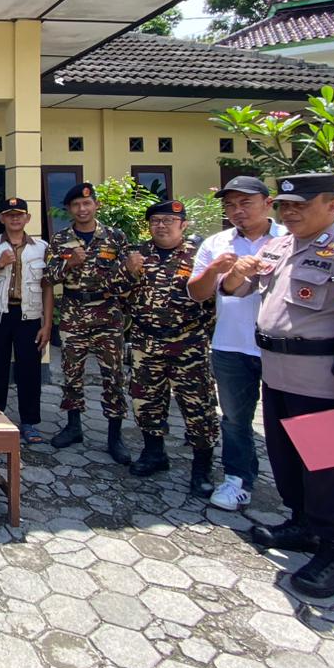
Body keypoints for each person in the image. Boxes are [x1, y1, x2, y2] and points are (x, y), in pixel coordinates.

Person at [218, 173, 334, 597]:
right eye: (285, 206)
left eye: (302, 205)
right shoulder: (279, 247)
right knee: (287, 457)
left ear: (333, 206)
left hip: (326, 383)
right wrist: (236, 272)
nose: (290, 213)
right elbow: (236, 290)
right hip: (277, 375)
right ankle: (301, 523)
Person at [188, 175, 284, 511]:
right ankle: (238, 479)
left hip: (285, 350)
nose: (237, 211)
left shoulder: (292, 240)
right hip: (231, 344)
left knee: (291, 420)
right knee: (234, 419)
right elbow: (197, 294)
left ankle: (303, 487)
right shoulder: (217, 243)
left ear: (267, 203)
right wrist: (214, 271)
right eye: (230, 205)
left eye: (245, 203)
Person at [123, 201, 218, 494]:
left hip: (187, 343)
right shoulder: (138, 254)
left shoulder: (199, 255)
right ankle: (154, 453)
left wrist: (204, 336)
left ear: (183, 224)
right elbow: (118, 293)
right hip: (146, 341)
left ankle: (202, 467)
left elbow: (213, 301)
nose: (161, 225)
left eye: (168, 220)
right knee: (145, 399)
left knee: (198, 406)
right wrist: (128, 272)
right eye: (155, 221)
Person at [45, 182, 132, 462]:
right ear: (69, 209)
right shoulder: (60, 240)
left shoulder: (115, 237)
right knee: (72, 372)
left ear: (96, 205)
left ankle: (114, 436)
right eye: (76, 205)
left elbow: (129, 277)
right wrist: (68, 264)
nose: (82, 209)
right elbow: (47, 277)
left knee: (113, 375)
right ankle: (73, 426)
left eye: (87, 204)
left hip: (108, 313)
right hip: (73, 311)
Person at [0, 198, 53, 444]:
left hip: (29, 316)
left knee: (29, 370)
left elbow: (47, 287)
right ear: (2, 219)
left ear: (27, 218)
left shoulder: (41, 247)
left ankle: (29, 423)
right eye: (9, 215)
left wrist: (47, 324)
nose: (15, 219)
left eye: (19, 215)